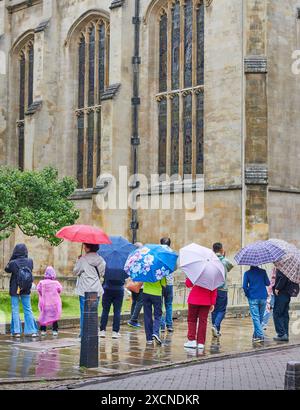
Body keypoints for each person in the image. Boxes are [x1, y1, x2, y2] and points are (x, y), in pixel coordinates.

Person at [5, 244, 38, 338]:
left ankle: (16, 332)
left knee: (15, 309)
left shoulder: (13, 263)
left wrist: (12, 258)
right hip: (26, 288)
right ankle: (32, 331)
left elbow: (7, 269)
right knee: (28, 309)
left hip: (15, 289)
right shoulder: (30, 261)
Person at [74, 243, 106, 337]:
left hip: (84, 290)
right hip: (96, 290)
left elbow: (75, 271)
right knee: (93, 312)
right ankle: (92, 333)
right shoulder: (101, 260)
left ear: (88, 248)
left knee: (84, 313)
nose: (84, 247)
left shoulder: (83, 259)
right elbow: (102, 273)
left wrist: (78, 260)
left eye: (85, 246)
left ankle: (83, 334)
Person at [184, 278, 217, 350]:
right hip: (206, 300)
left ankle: (191, 340)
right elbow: (214, 290)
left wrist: (188, 276)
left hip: (193, 299)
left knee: (192, 320)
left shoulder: (195, 272)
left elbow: (188, 284)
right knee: (203, 321)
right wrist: (212, 303)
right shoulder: (212, 275)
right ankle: (201, 342)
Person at [99, 264, 129, 339]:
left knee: (105, 310)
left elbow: (103, 275)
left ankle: (102, 330)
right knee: (117, 311)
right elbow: (126, 276)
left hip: (107, 288)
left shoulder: (107, 265)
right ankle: (115, 332)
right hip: (119, 290)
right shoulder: (123, 265)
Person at [211, 243, 234, 338]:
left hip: (212, 288)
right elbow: (231, 266)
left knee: (213, 309)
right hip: (222, 289)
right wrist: (223, 257)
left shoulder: (211, 260)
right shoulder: (224, 261)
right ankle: (216, 326)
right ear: (221, 250)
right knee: (222, 310)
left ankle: (216, 329)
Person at [243, 266, 270, 343]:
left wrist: (248, 294)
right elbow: (267, 283)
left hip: (253, 297)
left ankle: (260, 336)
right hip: (263, 297)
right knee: (259, 318)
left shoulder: (247, 273)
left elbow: (244, 286)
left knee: (255, 318)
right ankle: (255, 335)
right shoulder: (263, 271)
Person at [273, 269, 299, 342]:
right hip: (287, 293)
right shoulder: (290, 267)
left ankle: (281, 334)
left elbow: (283, 277)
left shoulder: (282, 266)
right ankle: (285, 334)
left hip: (281, 293)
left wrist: (277, 288)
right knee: (284, 314)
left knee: (277, 313)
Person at [37, 266, 62, 336]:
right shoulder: (56, 283)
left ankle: (43, 330)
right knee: (55, 317)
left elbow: (38, 289)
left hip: (45, 303)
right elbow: (60, 290)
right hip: (54, 303)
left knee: (44, 316)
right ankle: (55, 330)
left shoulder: (41, 282)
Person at [143, 277, 167, 346]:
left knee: (147, 316)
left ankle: (149, 339)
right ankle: (155, 332)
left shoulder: (145, 267)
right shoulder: (160, 269)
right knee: (158, 315)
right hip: (157, 294)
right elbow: (164, 285)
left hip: (146, 293)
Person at [128, 242, 144, 329]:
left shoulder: (131, 258)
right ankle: (133, 320)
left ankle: (132, 319)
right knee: (140, 302)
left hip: (133, 283)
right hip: (139, 284)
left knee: (134, 301)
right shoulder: (141, 258)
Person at [160, 237, 175, 333]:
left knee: (160, 304)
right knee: (168, 304)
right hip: (169, 282)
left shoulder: (159, 253)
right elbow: (175, 267)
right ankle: (169, 325)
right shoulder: (173, 254)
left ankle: (162, 326)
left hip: (160, 282)